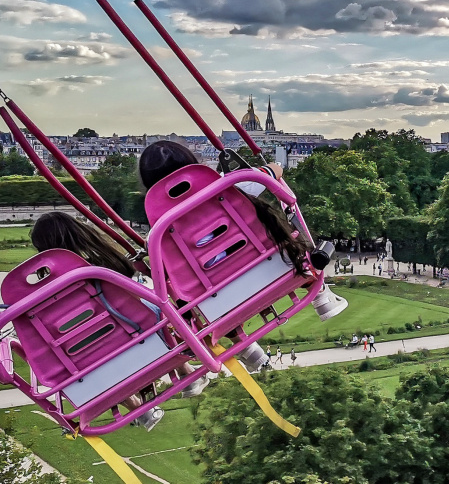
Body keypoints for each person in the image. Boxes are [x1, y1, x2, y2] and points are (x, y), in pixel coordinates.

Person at [138, 141, 347, 370]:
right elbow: (276, 172)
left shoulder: (157, 235)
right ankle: (321, 297)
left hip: (217, 297)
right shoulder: (232, 186)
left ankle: (247, 348)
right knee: (285, 223)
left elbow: (166, 276)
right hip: (272, 265)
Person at [30, 212, 211, 432]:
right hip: (131, 338)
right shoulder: (98, 266)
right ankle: (185, 371)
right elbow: (134, 290)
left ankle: (137, 407)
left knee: (79, 358)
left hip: (85, 358)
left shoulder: (39, 293)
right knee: (151, 306)